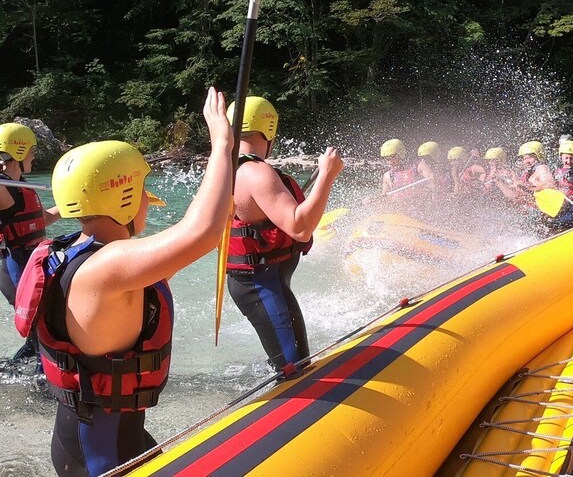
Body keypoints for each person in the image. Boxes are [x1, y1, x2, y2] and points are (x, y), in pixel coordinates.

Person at [13, 87, 234, 476]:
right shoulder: (110, 264)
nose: (149, 202)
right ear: (123, 197)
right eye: (143, 193)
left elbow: (187, 247)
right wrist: (221, 145)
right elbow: (202, 233)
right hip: (105, 453)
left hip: (88, 437)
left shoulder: (77, 255)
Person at [226, 96, 343, 373]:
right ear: (269, 131)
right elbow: (299, 227)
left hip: (258, 281)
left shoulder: (226, 169)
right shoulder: (256, 174)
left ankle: (275, 367)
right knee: (296, 370)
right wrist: (327, 175)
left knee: (287, 359)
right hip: (263, 285)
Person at [0, 123, 60, 361]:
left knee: (41, 331)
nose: (34, 155)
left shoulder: (20, 184)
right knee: (43, 330)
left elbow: (42, 219)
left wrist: (77, 205)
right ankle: (43, 385)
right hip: (13, 265)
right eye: (32, 150)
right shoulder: (4, 187)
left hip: (31, 263)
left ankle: (18, 370)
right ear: (19, 152)